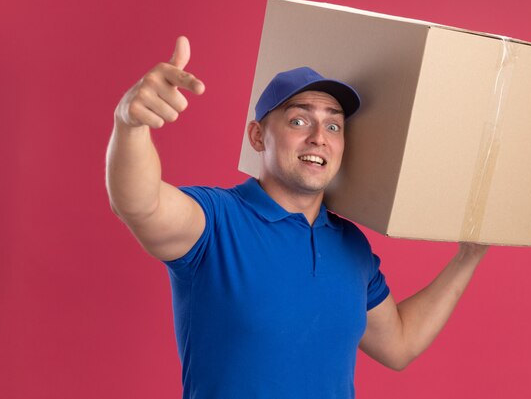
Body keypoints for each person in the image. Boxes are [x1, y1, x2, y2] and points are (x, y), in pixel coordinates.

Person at [106, 36, 489, 399]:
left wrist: (468, 255)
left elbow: (400, 344)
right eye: (299, 121)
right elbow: (141, 203)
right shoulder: (215, 222)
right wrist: (130, 125)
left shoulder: (351, 245)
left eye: (334, 125)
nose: (319, 137)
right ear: (258, 136)